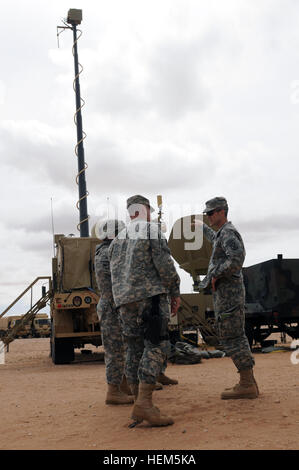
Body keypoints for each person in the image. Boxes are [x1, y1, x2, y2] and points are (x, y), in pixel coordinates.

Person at [108, 195, 181, 426]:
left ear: (130, 213)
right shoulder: (151, 230)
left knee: (133, 348)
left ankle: (139, 402)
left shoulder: (117, 239)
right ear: (146, 210)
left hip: (123, 302)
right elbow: (164, 265)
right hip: (149, 298)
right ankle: (145, 404)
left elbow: (113, 275)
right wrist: (175, 291)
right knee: (157, 345)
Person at [194, 197, 259, 399]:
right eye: (207, 214)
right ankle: (247, 382)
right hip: (225, 294)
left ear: (222, 212)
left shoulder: (229, 232)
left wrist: (216, 274)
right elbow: (217, 242)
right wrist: (201, 228)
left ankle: (247, 384)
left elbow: (237, 258)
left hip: (229, 294)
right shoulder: (223, 234)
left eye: (211, 213)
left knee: (234, 337)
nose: (209, 216)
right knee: (231, 335)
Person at [94, 219, 134, 406]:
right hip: (113, 306)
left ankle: (122, 386)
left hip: (109, 304)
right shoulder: (110, 252)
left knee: (121, 349)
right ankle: (113, 391)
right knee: (116, 351)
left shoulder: (102, 251)